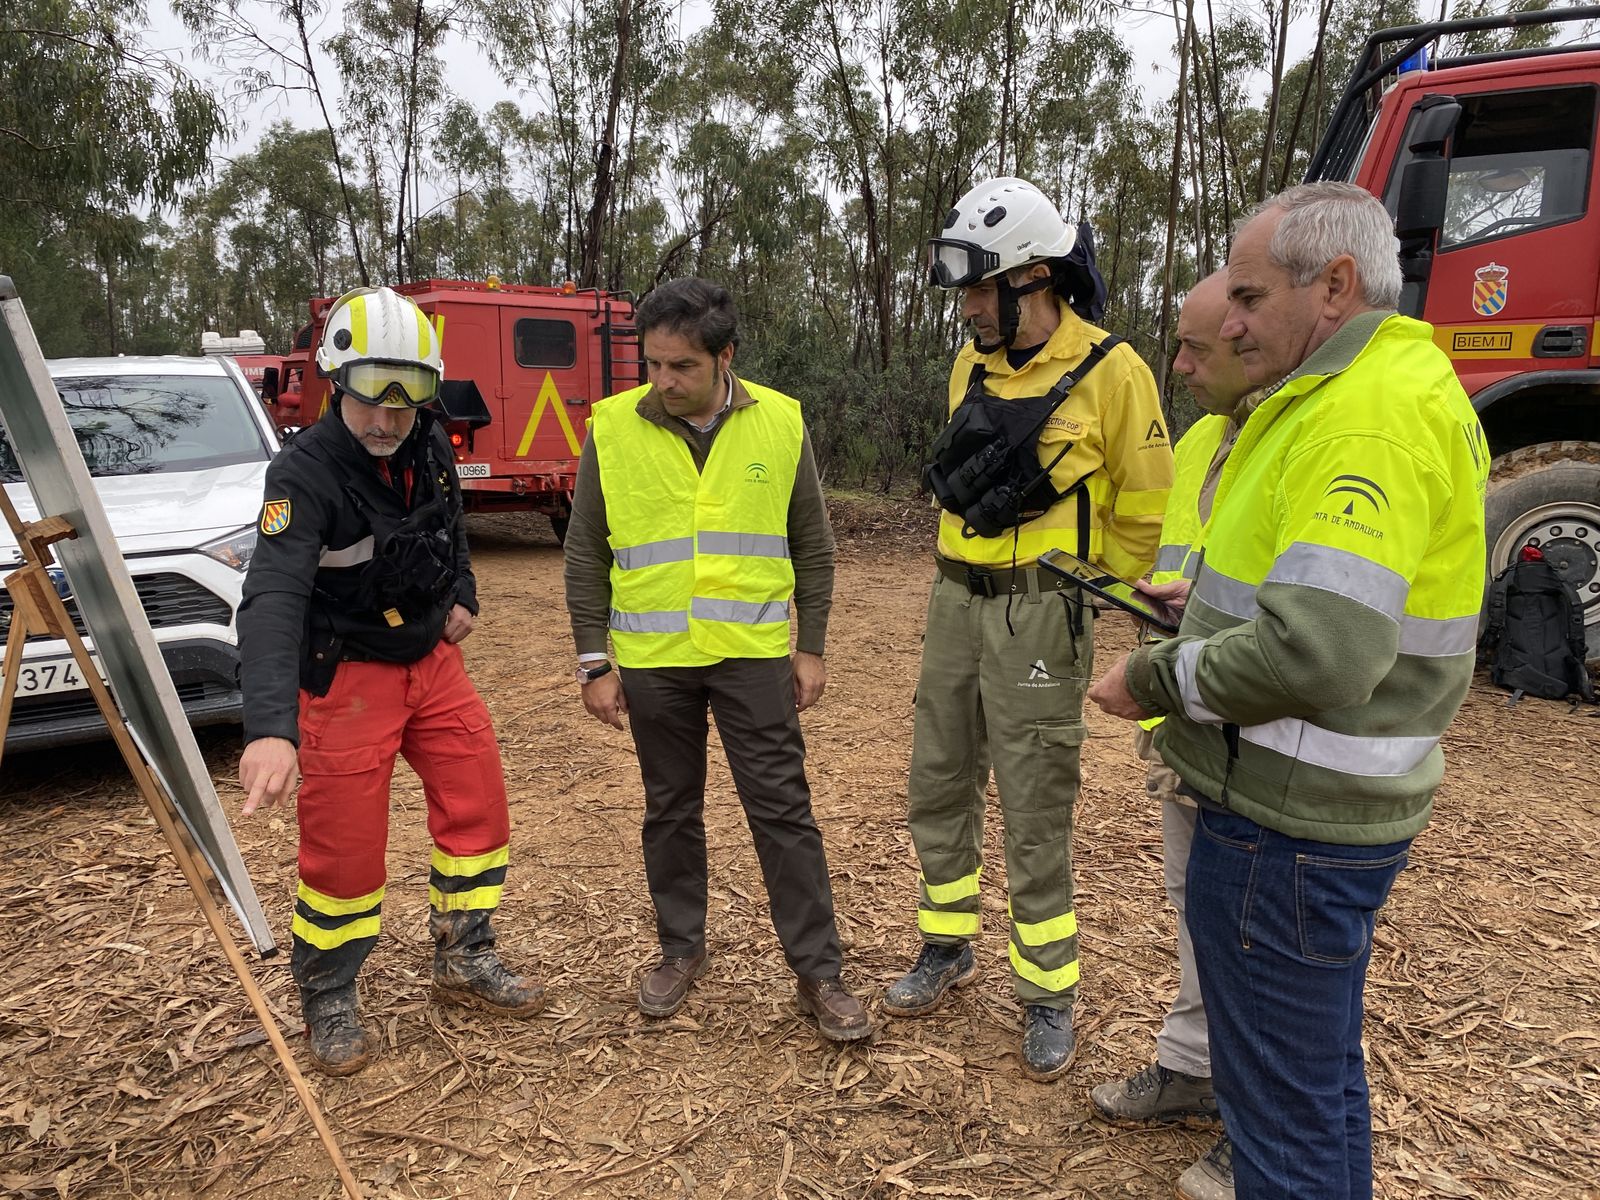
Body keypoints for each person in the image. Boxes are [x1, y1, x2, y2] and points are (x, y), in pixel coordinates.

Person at [1088, 182, 1488, 1199]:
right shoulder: (1367, 391)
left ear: (1335, 286)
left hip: (1287, 825)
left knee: (1281, 1128)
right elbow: (1329, 599)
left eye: (1251, 297)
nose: (1228, 322)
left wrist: (1154, 675)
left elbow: (1320, 654)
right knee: (1311, 1090)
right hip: (1312, 813)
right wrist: (1209, 613)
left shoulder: (1362, 419)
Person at [887, 176, 1173, 1079]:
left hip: (1042, 612)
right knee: (938, 777)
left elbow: (1145, 507)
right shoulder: (970, 364)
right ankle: (946, 944)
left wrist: (1084, 591)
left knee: (1035, 798)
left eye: (982, 290)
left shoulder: (1115, 371)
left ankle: (1048, 992)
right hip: (953, 601)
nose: (969, 309)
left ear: (1033, 279)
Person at [237, 285, 544, 1077]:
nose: (387, 419)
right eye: (372, 397)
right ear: (337, 380)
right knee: (344, 854)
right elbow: (273, 596)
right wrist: (269, 728)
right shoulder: (303, 475)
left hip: (431, 663)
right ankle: (329, 992)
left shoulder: (427, 440)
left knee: (479, 806)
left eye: (406, 401)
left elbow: (448, 526)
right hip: (344, 676)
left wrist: (463, 593)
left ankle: (464, 953)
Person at [562, 277, 870, 1042]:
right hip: (654, 660)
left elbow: (813, 544)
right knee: (670, 809)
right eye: (653, 364)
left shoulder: (781, 422)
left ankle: (819, 972)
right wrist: (594, 662)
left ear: (725, 357)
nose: (663, 381)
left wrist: (811, 646)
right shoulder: (612, 429)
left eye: (683, 367)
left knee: (783, 812)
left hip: (752, 656)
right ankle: (680, 949)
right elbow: (584, 551)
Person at [1087, 270, 1261, 1200]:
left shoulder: (1303, 441)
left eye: (1194, 348)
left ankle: (1255, 1120)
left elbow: (1299, 614)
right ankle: (1193, 1067)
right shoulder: (1202, 439)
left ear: (1252, 335)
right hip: (1190, 720)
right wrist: (1167, 605)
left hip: (1260, 732)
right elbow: (1209, 571)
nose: (1180, 366)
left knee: (1255, 935)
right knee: (1197, 909)